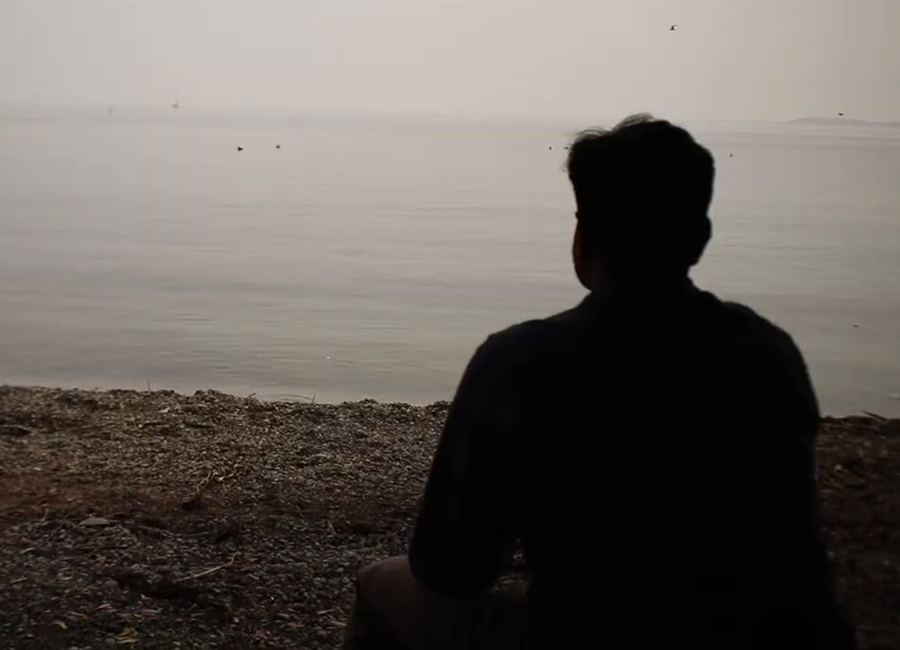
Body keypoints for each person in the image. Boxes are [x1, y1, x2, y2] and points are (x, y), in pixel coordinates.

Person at [343, 115, 856, 649]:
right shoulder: (767, 353)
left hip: (587, 633)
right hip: (778, 634)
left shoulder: (522, 363)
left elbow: (451, 569)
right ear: (700, 238)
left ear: (584, 236)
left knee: (379, 584)